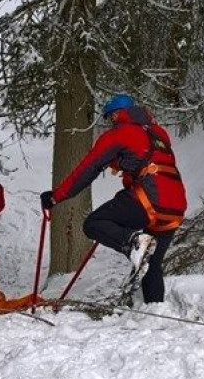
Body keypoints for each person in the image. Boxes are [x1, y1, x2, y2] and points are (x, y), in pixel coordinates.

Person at [40, 94, 187, 304]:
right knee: (151, 264)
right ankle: (155, 312)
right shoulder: (159, 133)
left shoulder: (119, 133)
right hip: (175, 206)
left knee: (94, 223)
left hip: (147, 200)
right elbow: (147, 159)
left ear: (116, 115)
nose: (110, 123)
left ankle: (134, 241)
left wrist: (56, 197)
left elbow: (87, 169)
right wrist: (121, 165)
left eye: (110, 118)